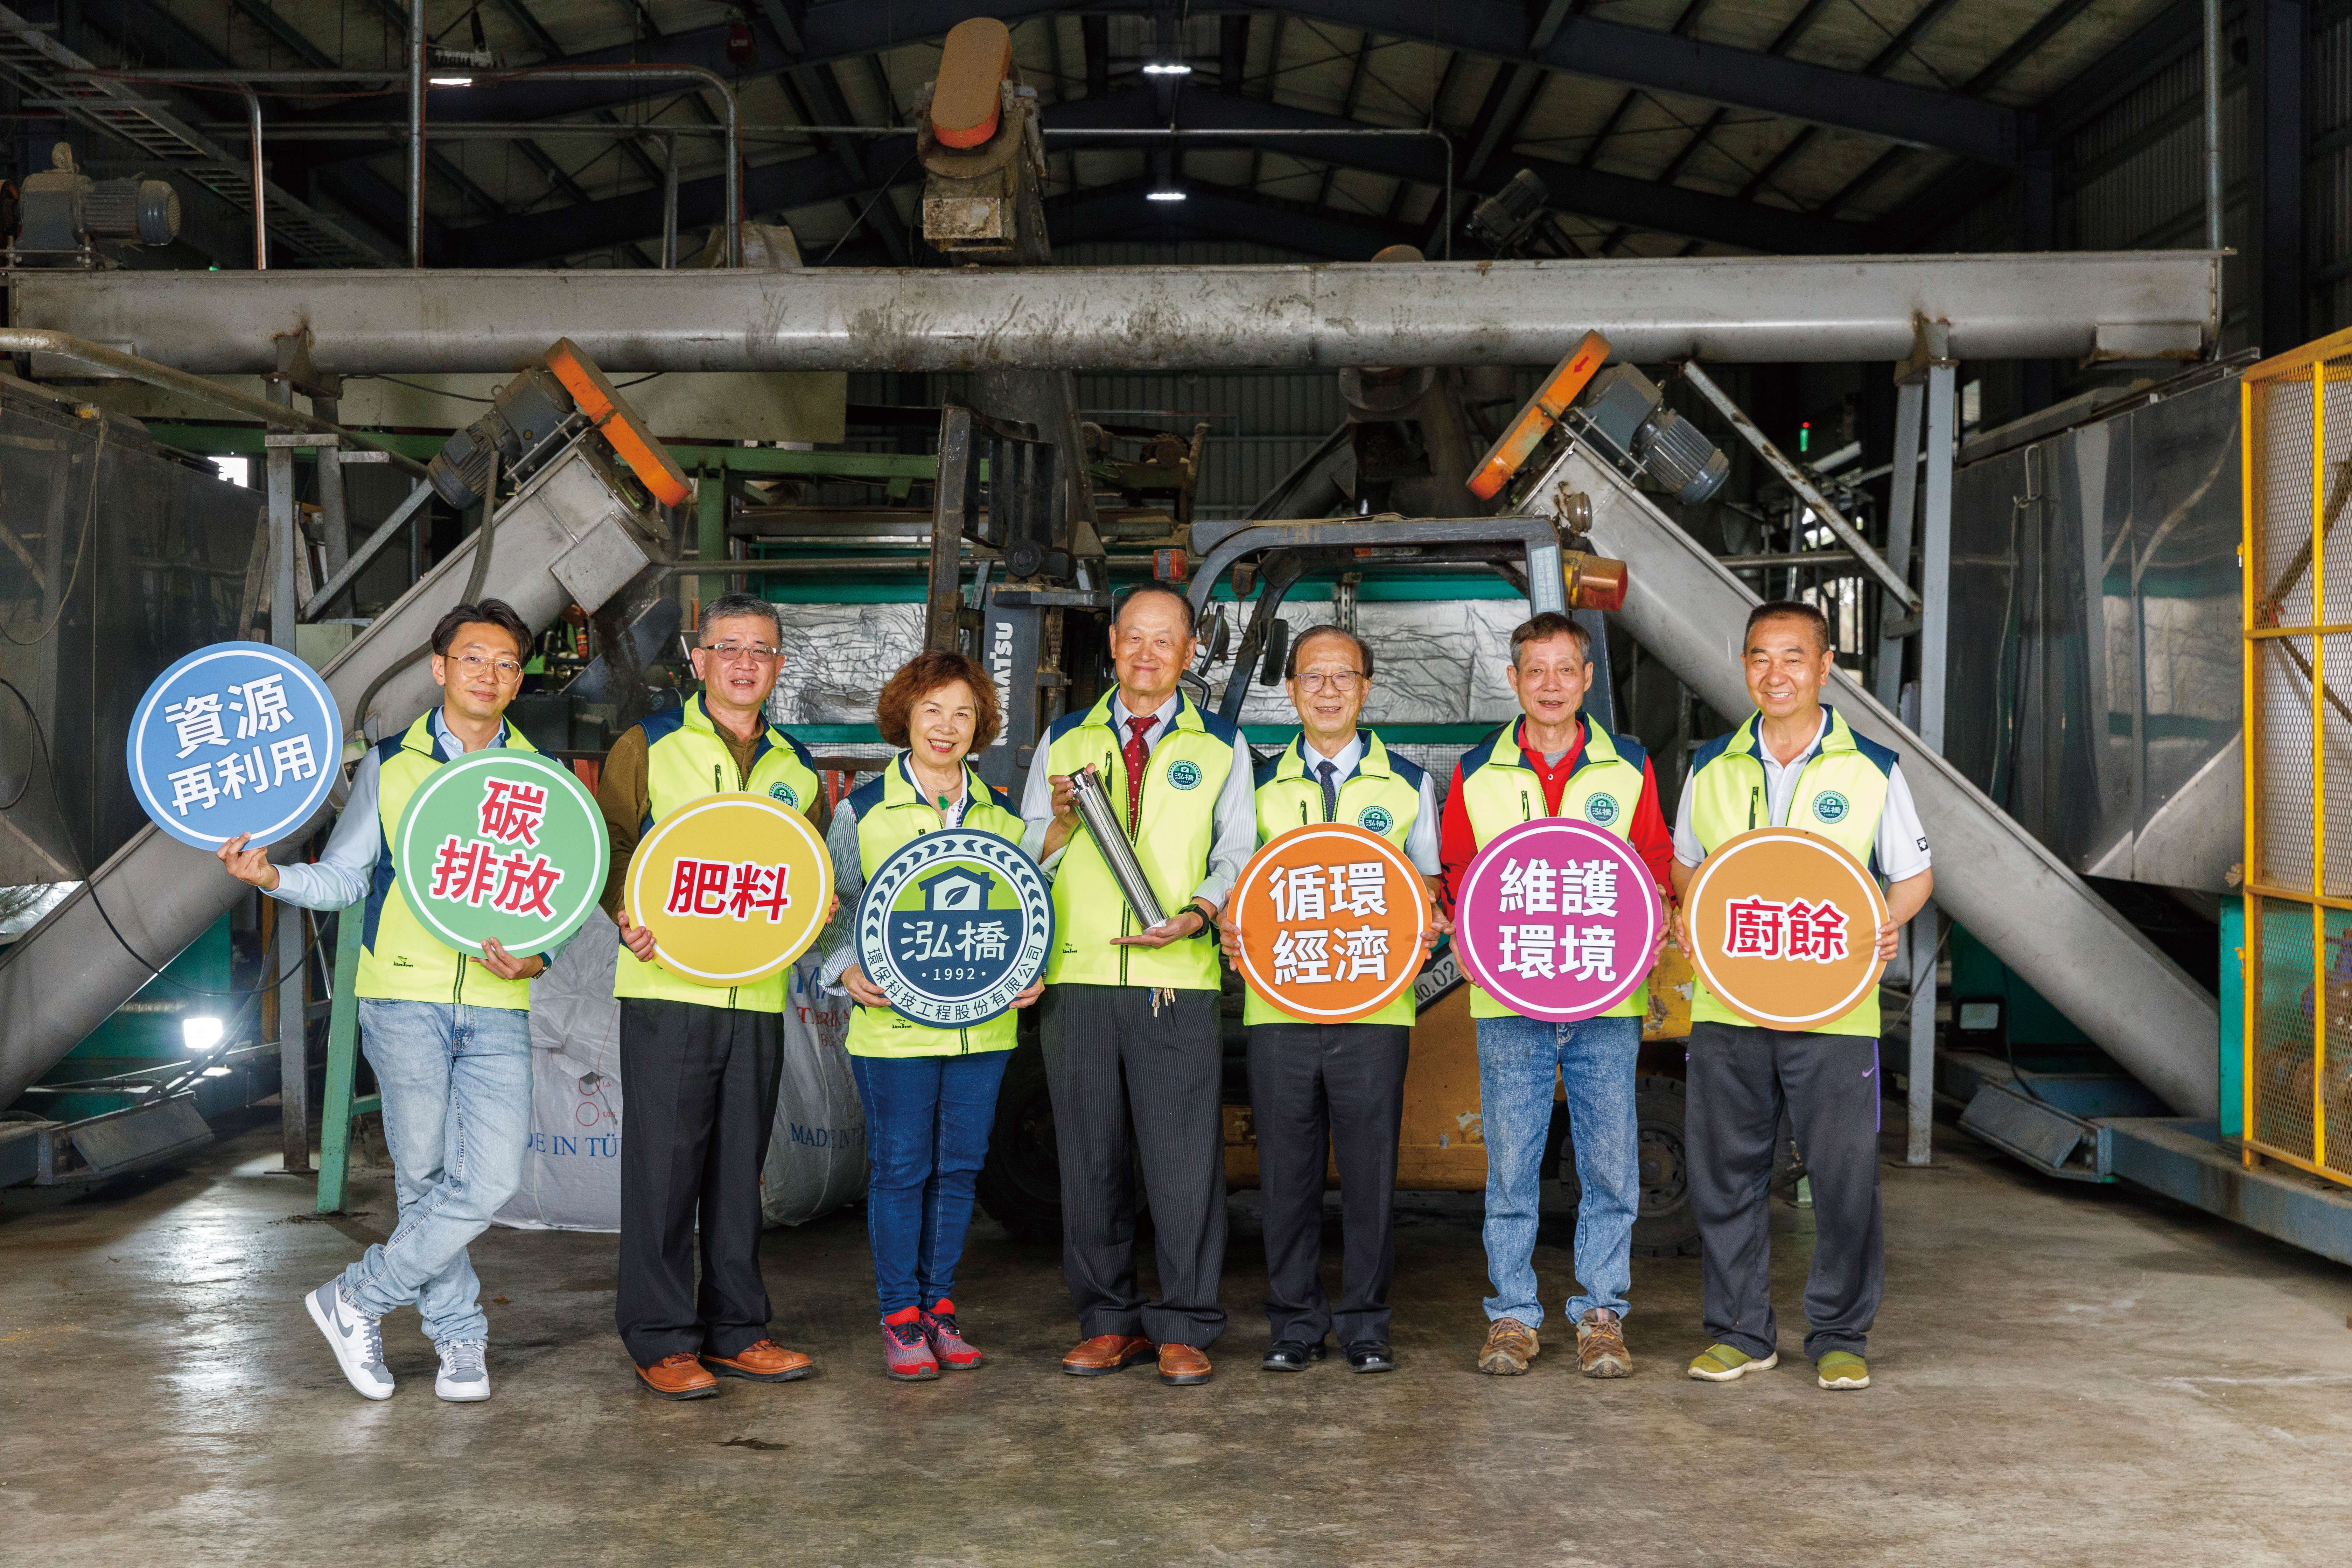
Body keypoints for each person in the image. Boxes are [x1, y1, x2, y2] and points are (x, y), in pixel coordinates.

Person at [220, 599, 549, 1405]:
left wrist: (544, 951)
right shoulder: (393, 764)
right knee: (425, 1175)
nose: (491, 675)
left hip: (501, 997)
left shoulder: (534, 772)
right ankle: (460, 1340)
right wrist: (275, 879)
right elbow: (344, 878)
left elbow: (558, 895)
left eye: (507, 664)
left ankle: (357, 1296)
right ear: (440, 669)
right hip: (404, 993)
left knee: (494, 1175)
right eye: (474, 658)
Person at [1672, 600, 1932, 1393]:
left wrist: (1883, 922)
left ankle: (1841, 1331)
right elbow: (1688, 867)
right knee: (1725, 1174)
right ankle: (1741, 1330)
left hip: (1835, 1011)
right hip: (1730, 1007)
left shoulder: (1873, 767)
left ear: (1825, 668)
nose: (1774, 673)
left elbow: (1914, 874)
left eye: (1793, 657)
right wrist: (1692, 912)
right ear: (1743, 667)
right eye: (1759, 657)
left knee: (1844, 1174)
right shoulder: (1712, 765)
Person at [1021, 583, 1254, 1386]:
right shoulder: (1064, 740)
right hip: (1078, 975)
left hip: (1173, 978)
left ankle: (1186, 1320)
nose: (1148, 654)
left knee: (1182, 1159)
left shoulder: (1222, 743)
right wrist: (1057, 823)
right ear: (1113, 644)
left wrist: (1198, 914)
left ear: (1190, 654)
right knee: (1089, 1156)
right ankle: (1107, 1318)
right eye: (1134, 638)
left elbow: (1238, 854)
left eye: (1167, 640)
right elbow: (1023, 855)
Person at [597, 591, 827, 1400]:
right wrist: (628, 909)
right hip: (666, 987)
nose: (743, 663)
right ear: (697, 660)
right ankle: (659, 1336)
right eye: (728, 647)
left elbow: (805, 873)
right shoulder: (649, 744)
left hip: (757, 996)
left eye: (760, 650)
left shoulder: (797, 768)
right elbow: (612, 848)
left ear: (778, 666)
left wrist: (817, 901)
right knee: (665, 1169)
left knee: (739, 1170)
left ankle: (737, 1328)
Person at [1437, 611, 1676, 1378]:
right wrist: (1458, 930)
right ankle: (1511, 1315)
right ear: (1512, 680)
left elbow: (1656, 865)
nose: (1549, 684)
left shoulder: (1629, 765)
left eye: (1564, 669)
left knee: (1611, 1163)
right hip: (1508, 1003)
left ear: (1585, 678)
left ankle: (1602, 1313)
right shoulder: (1478, 771)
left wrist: (1662, 916)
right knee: (1511, 1166)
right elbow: (1456, 874)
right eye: (1533, 670)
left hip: (1608, 1001)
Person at [1216, 625, 1446, 1376]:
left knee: (1372, 1173)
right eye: (1312, 676)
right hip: (1279, 1010)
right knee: (1287, 1172)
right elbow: (1237, 880)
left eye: (1343, 675)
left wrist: (1431, 916)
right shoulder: (1255, 782)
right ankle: (1293, 1320)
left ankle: (1366, 1323)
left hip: (1376, 1013)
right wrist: (1228, 924)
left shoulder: (1409, 783)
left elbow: (1429, 885)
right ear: (1289, 690)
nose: (1327, 689)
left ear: (1367, 687)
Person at [812, 652, 1043, 1381]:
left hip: (982, 1025)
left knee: (960, 1169)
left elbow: (1025, 911)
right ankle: (900, 1314)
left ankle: (941, 1307)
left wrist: (1032, 968)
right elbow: (830, 908)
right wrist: (843, 967)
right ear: (905, 717)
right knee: (904, 1165)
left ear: (980, 726)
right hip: (894, 1028)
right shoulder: (864, 808)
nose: (946, 727)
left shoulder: (1002, 815)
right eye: (932, 710)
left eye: (963, 713)